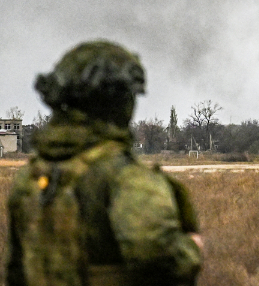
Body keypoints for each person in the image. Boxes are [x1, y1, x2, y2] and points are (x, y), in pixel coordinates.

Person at [6, 40, 203, 286]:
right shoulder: (125, 178)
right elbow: (160, 259)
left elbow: (15, 272)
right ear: (121, 102)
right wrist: (190, 249)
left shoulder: (30, 178)